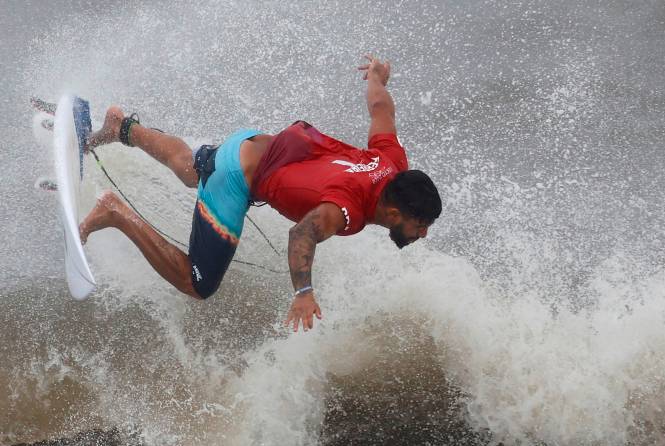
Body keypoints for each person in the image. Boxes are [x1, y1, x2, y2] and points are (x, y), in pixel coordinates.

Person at [80, 55, 442, 331]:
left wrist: (377, 76)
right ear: (394, 215)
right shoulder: (346, 211)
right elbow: (302, 233)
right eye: (420, 224)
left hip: (252, 143)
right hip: (236, 177)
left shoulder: (391, 163)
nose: (422, 233)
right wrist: (304, 293)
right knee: (197, 283)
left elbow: (381, 109)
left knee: (192, 168)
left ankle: (122, 128)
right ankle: (114, 212)